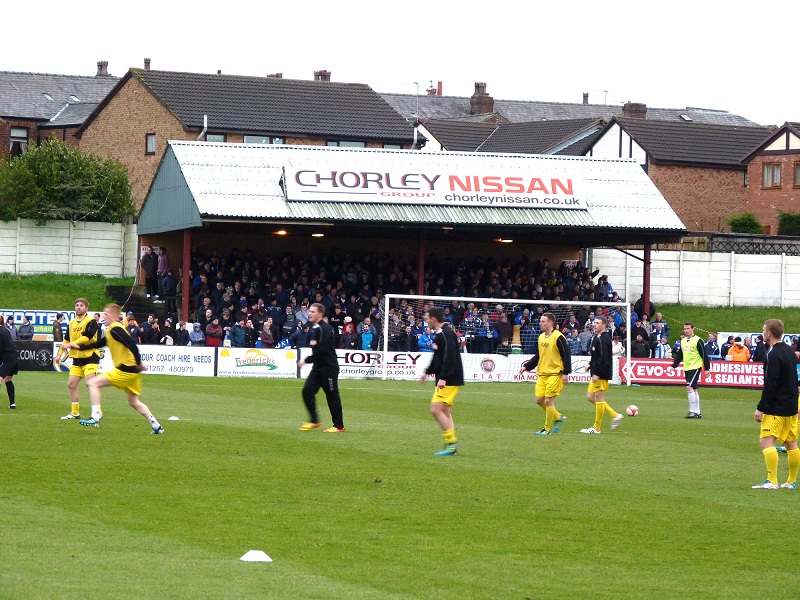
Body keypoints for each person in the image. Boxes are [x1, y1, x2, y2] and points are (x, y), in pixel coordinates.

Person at [62, 303, 163, 434]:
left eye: (107, 314)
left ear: (115, 316)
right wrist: (77, 347)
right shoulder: (111, 330)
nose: (105, 316)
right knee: (133, 401)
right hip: (132, 371)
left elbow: (132, 344)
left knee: (92, 383)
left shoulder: (116, 329)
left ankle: (95, 415)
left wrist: (139, 363)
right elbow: (99, 343)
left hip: (125, 369)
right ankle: (156, 426)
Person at [752, 319, 800, 489]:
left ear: (769, 333)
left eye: (764, 330)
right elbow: (794, 380)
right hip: (791, 408)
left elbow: (771, 384)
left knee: (766, 442)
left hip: (776, 408)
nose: (763, 333)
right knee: (791, 444)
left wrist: (761, 407)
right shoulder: (789, 351)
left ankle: (772, 481)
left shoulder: (773, 354)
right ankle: (791, 481)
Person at [418, 306, 464, 456]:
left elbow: (450, 357)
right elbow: (438, 357)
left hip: (450, 378)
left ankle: (451, 443)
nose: (425, 321)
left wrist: (443, 377)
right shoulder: (439, 334)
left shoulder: (447, 333)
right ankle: (452, 446)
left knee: (435, 409)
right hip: (448, 377)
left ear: (434, 319)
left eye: (427, 318)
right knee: (445, 411)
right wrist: (427, 371)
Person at [519, 312, 571, 435]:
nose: (540, 323)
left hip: (555, 374)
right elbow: (539, 356)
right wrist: (527, 366)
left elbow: (566, 354)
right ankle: (558, 417)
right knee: (539, 400)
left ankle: (546, 429)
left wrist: (566, 372)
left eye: (543, 321)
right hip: (542, 374)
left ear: (550, 323)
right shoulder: (541, 337)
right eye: (540, 321)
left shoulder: (558, 337)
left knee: (548, 401)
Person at [297, 303, 345, 433]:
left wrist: (305, 360)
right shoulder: (315, 328)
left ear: (320, 314)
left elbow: (322, 350)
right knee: (307, 391)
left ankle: (339, 426)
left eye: (313, 311)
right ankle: (314, 420)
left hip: (329, 368)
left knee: (332, 395)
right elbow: (316, 348)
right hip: (318, 367)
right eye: (310, 311)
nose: (310, 313)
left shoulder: (325, 328)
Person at [56, 298, 101, 420]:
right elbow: (66, 339)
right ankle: (75, 412)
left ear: (86, 308)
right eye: (77, 305)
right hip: (77, 358)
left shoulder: (91, 321)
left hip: (90, 356)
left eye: (81, 305)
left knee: (90, 383)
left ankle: (98, 411)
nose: (78, 307)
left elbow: (87, 337)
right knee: (71, 384)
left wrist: (71, 345)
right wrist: (60, 354)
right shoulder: (71, 323)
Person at [580, 316, 623, 434]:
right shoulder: (597, 337)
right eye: (595, 323)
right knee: (590, 397)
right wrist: (590, 364)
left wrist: (597, 373)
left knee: (598, 398)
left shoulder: (604, 339)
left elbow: (604, 358)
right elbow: (597, 356)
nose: (595, 325)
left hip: (601, 374)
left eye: (598, 323)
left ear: (604, 325)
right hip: (596, 372)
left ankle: (596, 427)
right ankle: (614, 415)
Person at [671, 322, 710, 419]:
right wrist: (674, 366)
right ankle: (698, 412)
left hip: (695, 367)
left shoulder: (698, 340)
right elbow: (680, 354)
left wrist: (707, 369)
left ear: (693, 329)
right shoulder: (683, 341)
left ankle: (692, 411)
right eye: (685, 328)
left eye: (688, 328)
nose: (686, 330)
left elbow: (704, 355)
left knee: (689, 387)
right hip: (687, 367)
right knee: (694, 389)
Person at [0, 315, 19, 409]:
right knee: (8, 379)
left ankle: (12, 403)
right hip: (14, 356)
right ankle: (12, 404)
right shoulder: (5, 330)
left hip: (7, 358)